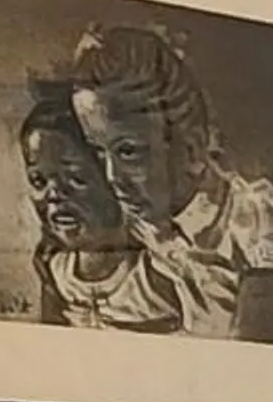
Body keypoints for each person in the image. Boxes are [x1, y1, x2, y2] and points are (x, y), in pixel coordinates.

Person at [65, 23, 273, 344]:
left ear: (192, 149)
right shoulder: (145, 222)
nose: (112, 177)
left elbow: (252, 353)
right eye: (98, 152)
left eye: (129, 152)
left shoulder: (253, 219)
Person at [20, 83, 171, 333]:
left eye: (76, 178)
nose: (54, 195)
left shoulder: (154, 270)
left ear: (113, 178)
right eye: (39, 181)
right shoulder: (55, 268)